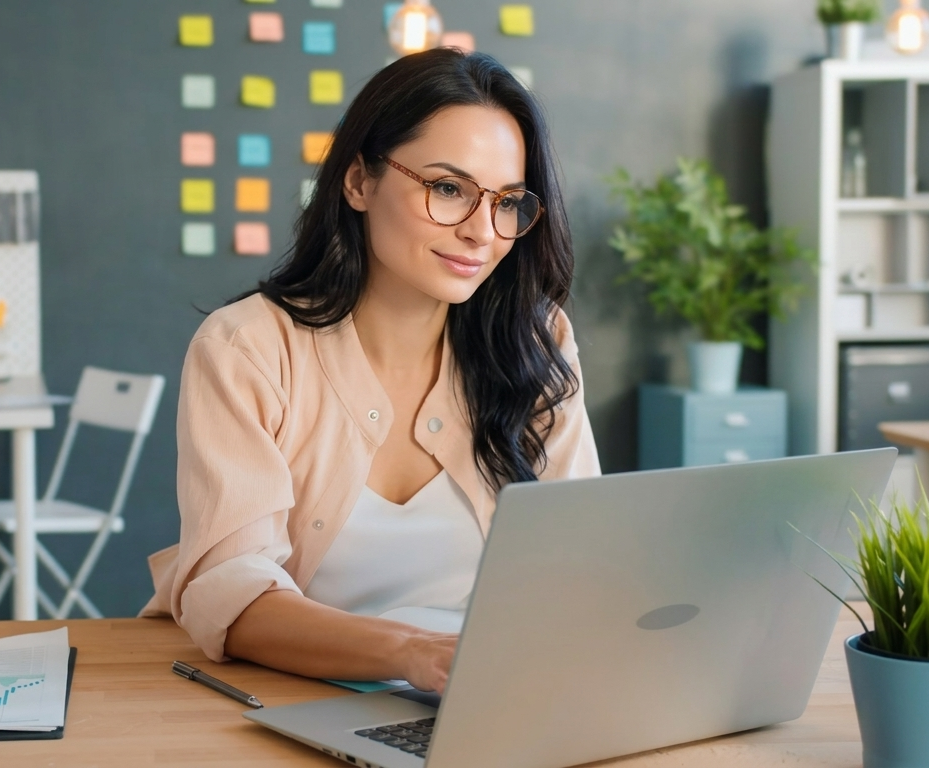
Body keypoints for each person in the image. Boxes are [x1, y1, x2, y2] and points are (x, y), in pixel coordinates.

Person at [140, 48, 599, 694]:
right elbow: (230, 588)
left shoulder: (535, 339)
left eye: (506, 202)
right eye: (447, 189)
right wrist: (414, 654)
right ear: (358, 181)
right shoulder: (247, 348)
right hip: (296, 702)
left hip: (497, 697)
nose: (480, 232)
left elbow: (582, 552)